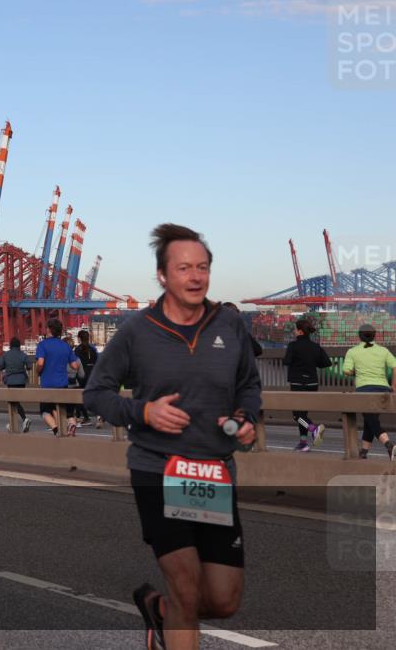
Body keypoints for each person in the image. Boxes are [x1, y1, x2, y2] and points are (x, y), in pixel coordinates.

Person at [84, 223, 261, 650]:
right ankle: (173, 609)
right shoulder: (137, 331)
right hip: (158, 469)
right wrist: (143, 411)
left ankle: (157, 609)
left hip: (214, 473)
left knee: (222, 600)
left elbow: (249, 384)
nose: (196, 276)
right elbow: (95, 393)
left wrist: (246, 416)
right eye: (184, 268)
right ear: (162, 276)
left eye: (202, 267)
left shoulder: (230, 325)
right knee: (185, 588)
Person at [343, 323, 396, 461]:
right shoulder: (383, 351)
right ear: (374, 335)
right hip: (382, 389)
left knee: (370, 419)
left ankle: (389, 444)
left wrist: (356, 371)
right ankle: (364, 451)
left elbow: (346, 371)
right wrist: (393, 385)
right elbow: (395, 366)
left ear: (359, 336)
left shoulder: (352, 351)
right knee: (370, 419)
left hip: (364, 390)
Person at [282, 318, 332, 451]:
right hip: (312, 383)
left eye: (294, 329)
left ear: (299, 331)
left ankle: (314, 429)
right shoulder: (315, 346)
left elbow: (286, 361)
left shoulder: (293, 345)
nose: (294, 331)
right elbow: (327, 363)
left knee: (296, 415)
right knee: (303, 414)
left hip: (298, 383)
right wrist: (312, 362)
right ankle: (303, 443)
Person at [36, 319, 81, 436]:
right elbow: (75, 366)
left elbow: (40, 363)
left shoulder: (42, 345)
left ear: (49, 330)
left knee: (45, 411)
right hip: (62, 383)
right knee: (60, 408)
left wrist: (38, 371)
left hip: (47, 384)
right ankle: (71, 424)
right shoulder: (65, 346)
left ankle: (56, 430)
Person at [0, 337, 33, 432]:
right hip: (22, 381)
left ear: (10, 345)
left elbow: (0, 366)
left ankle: (23, 419)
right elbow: (29, 366)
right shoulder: (23, 354)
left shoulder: (6, 355)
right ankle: (13, 422)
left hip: (10, 380)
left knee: (13, 401)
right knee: (15, 401)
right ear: (19, 346)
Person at [74, 329, 100, 428]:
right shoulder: (93, 349)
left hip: (82, 376)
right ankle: (99, 415)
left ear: (79, 338)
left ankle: (84, 417)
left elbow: (76, 364)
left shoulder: (78, 350)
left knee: (79, 397)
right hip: (93, 375)